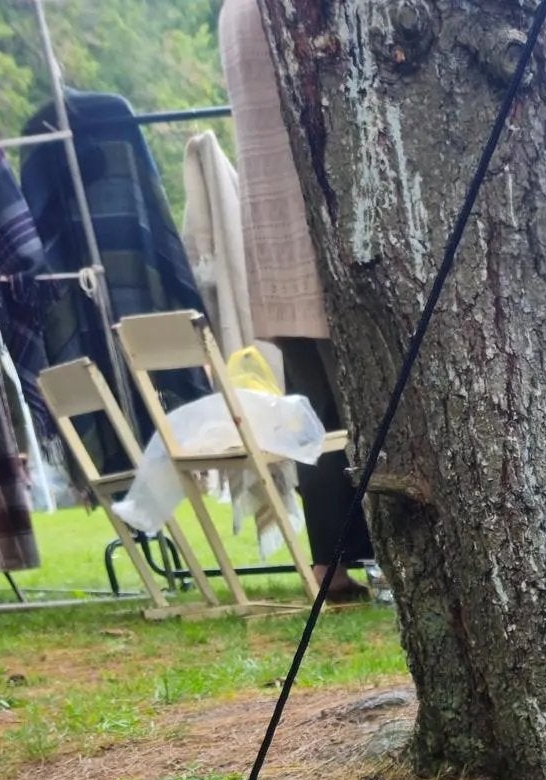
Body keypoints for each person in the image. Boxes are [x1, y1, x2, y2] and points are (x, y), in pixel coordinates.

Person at [216, 0, 373, 597]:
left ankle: (331, 563)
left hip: (275, 239)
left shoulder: (234, 11)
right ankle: (383, 554)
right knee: (361, 407)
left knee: (315, 414)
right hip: (324, 231)